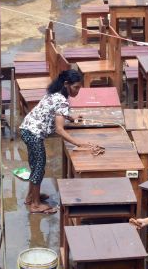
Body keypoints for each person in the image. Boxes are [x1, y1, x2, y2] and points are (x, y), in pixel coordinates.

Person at [19, 70, 98, 214]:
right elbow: (60, 130)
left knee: (35, 165)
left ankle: (31, 197)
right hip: (34, 134)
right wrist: (79, 143)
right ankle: (36, 205)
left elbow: (56, 112)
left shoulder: (54, 93)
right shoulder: (61, 100)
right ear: (66, 84)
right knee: (39, 168)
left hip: (26, 130)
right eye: (76, 87)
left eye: (79, 87)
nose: (78, 91)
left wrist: (71, 117)